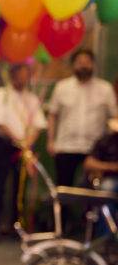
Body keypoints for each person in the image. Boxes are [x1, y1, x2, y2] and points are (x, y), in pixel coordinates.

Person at [0, 63, 47, 241]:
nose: (24, 78)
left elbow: (38, 125)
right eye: (21, 74)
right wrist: (17, 140)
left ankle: (16, 225)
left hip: (25, 149)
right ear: (13, 74)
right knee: (0, 186)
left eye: (26, 74)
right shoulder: (1, 95)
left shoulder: (32, 99)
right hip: (5, 145)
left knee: (19, 188)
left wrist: (27, 143)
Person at [47, 48, 117, 188]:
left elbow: (114, 117)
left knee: (93, 188)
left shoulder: (105, 88)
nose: (84, 66)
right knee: (64, 187)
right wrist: (50, 141)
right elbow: (53, 114)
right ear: (73, 65)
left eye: (87, 62)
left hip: (94, 149)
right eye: (80, 62)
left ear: (93, 64)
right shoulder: (62, 87)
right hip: (66, 145)